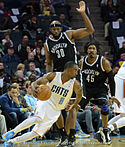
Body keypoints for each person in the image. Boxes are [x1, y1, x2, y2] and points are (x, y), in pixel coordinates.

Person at [44, 1, 94, 146]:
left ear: (61, 27)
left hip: (73, 75)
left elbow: (90, 30)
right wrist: (48, 78)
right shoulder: (47, 44)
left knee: (73, 106)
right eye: (53, 28)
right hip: (58, 77)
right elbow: (48, 63)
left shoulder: (69, 35)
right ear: (50, 30)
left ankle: (71, 137)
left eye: (58, 27)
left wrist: (83, 13)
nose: (56, 30)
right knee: (57, 108)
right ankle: (63, 136)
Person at [2, 61, 83, 147]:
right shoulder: (54, 76)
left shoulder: (75, 84)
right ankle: (12, 132)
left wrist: (74, 104)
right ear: (68, 70)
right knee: (37, 118)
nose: (76, 73)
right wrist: (34, 89)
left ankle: (11, 142)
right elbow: (36, 83)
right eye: (75, 70)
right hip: (46, 101)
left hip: (56, 110)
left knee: (35, 133)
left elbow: (79, 95)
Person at [79, 41, 117, 144]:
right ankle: (71, 134)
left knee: (104, 107)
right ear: (87, 50)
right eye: (89, 48)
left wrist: (112, 95)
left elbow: (111, 78)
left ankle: (105, 131)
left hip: (100, 89)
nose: (91, 50)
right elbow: (77, 78)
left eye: (93, 48)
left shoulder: (103, 61)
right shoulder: (82, 62)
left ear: (96, 50)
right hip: (86, 89)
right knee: (75, 108)